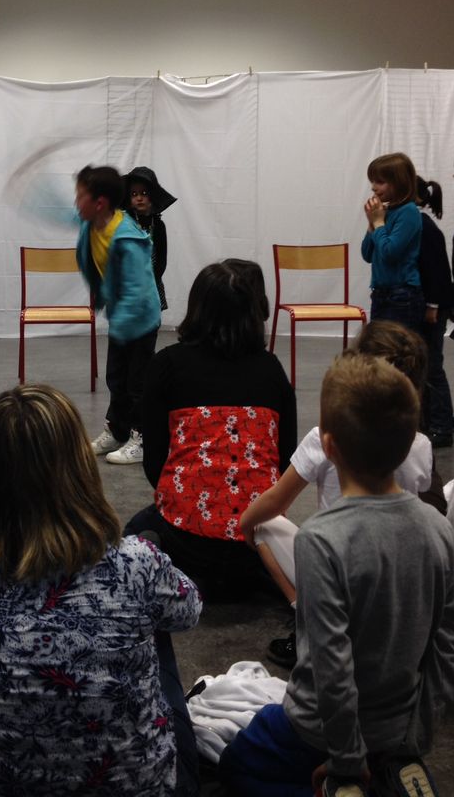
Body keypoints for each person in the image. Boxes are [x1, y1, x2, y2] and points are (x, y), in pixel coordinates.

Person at [0, 384, 202, 797]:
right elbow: (189, 610)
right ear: (77, 467)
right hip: (134, 787)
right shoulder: (135, 562)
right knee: (156, 620)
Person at [219, 353, 454, 797]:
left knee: (237, 762)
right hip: (400, 729)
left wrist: (347, 761)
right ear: (410, 442)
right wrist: (414, 740)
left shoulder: (321, 540)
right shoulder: (439, 530)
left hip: (319, 731)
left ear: (328, 446)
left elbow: (331, 666)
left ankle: (345, 784)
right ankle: (392, 770)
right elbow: (445, 645)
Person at [240, 320, 433, 668]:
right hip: (400, 584)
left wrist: (245, 523)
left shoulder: (322, 439)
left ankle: (306, 624)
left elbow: (276, 502)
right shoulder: (420, 445)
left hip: (337, 571)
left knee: (265, 526)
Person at [125, 260, 297, 599]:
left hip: (185, 538)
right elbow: (285, 458)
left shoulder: (166, 365)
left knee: (135, 531)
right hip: (256, 541)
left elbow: (154, 462)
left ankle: (181, 576)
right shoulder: (271, 369)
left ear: (196, 308)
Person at [75, 164, 162, 465]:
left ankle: (142, 437)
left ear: (99, 203)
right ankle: (117, 430)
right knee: (116, 378)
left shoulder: (128, 238)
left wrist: (122, 323)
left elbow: (138, 289)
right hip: (121, 318)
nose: (76, 203)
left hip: (141, 318)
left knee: (137, 382)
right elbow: (62, 217)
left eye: (80, 197)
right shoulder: (92, 222)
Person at [361, 151, 424, 332]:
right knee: (379, 346)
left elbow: (389, 253)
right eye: (372, 181)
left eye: (380, 182)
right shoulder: (385, 212)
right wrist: (371, 224)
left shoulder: (409, 212)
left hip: (402, 296)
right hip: (381, 293)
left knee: (396, 347)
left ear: (399, 182)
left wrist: (378, 223)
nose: (373, 187)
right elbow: (367, 254)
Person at [416, 176, 454, 448]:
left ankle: (442, 426)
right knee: (427, 365)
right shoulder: (418, 225)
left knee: (432, 367)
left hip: (435, 307)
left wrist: (433, 306)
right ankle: (431, 421)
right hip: (432, 304)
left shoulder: (425, 228)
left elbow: (438, 272)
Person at [124, 166, 177, 311]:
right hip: (128, 285)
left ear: (152, 197)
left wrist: (150, 281)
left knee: (151, 319)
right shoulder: (124, 225)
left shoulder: (158, 226)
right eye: (134, 194)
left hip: (152, 284)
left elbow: (161, 260)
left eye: (144, 193)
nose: (139, 198)